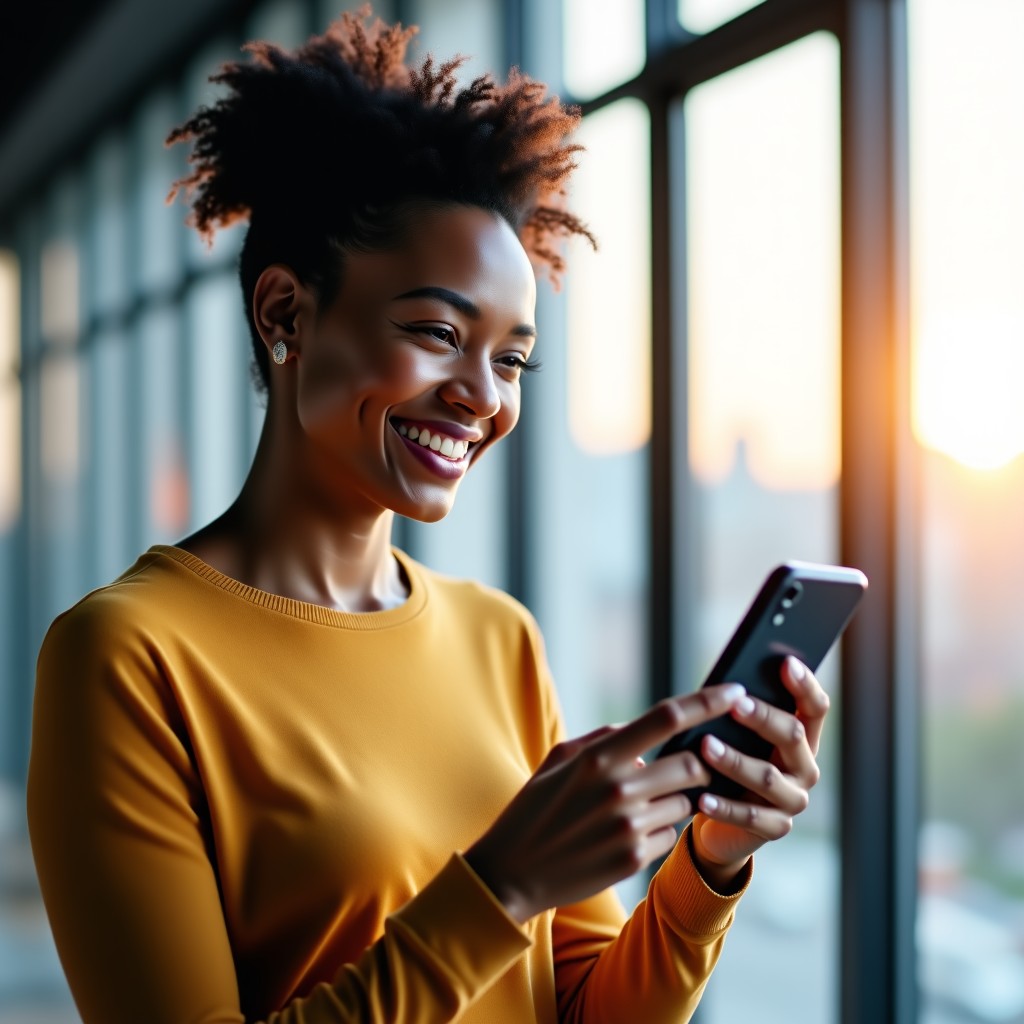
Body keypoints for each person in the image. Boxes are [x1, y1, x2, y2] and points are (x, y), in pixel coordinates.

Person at [26, 10, 830, 1024]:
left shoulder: (501, 638)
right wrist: (498, 889)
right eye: (437, 332)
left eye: (510, 358)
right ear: (285, 314)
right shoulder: (127, 656)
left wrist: (707, 867)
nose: (482, 396)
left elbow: (579, 1010)